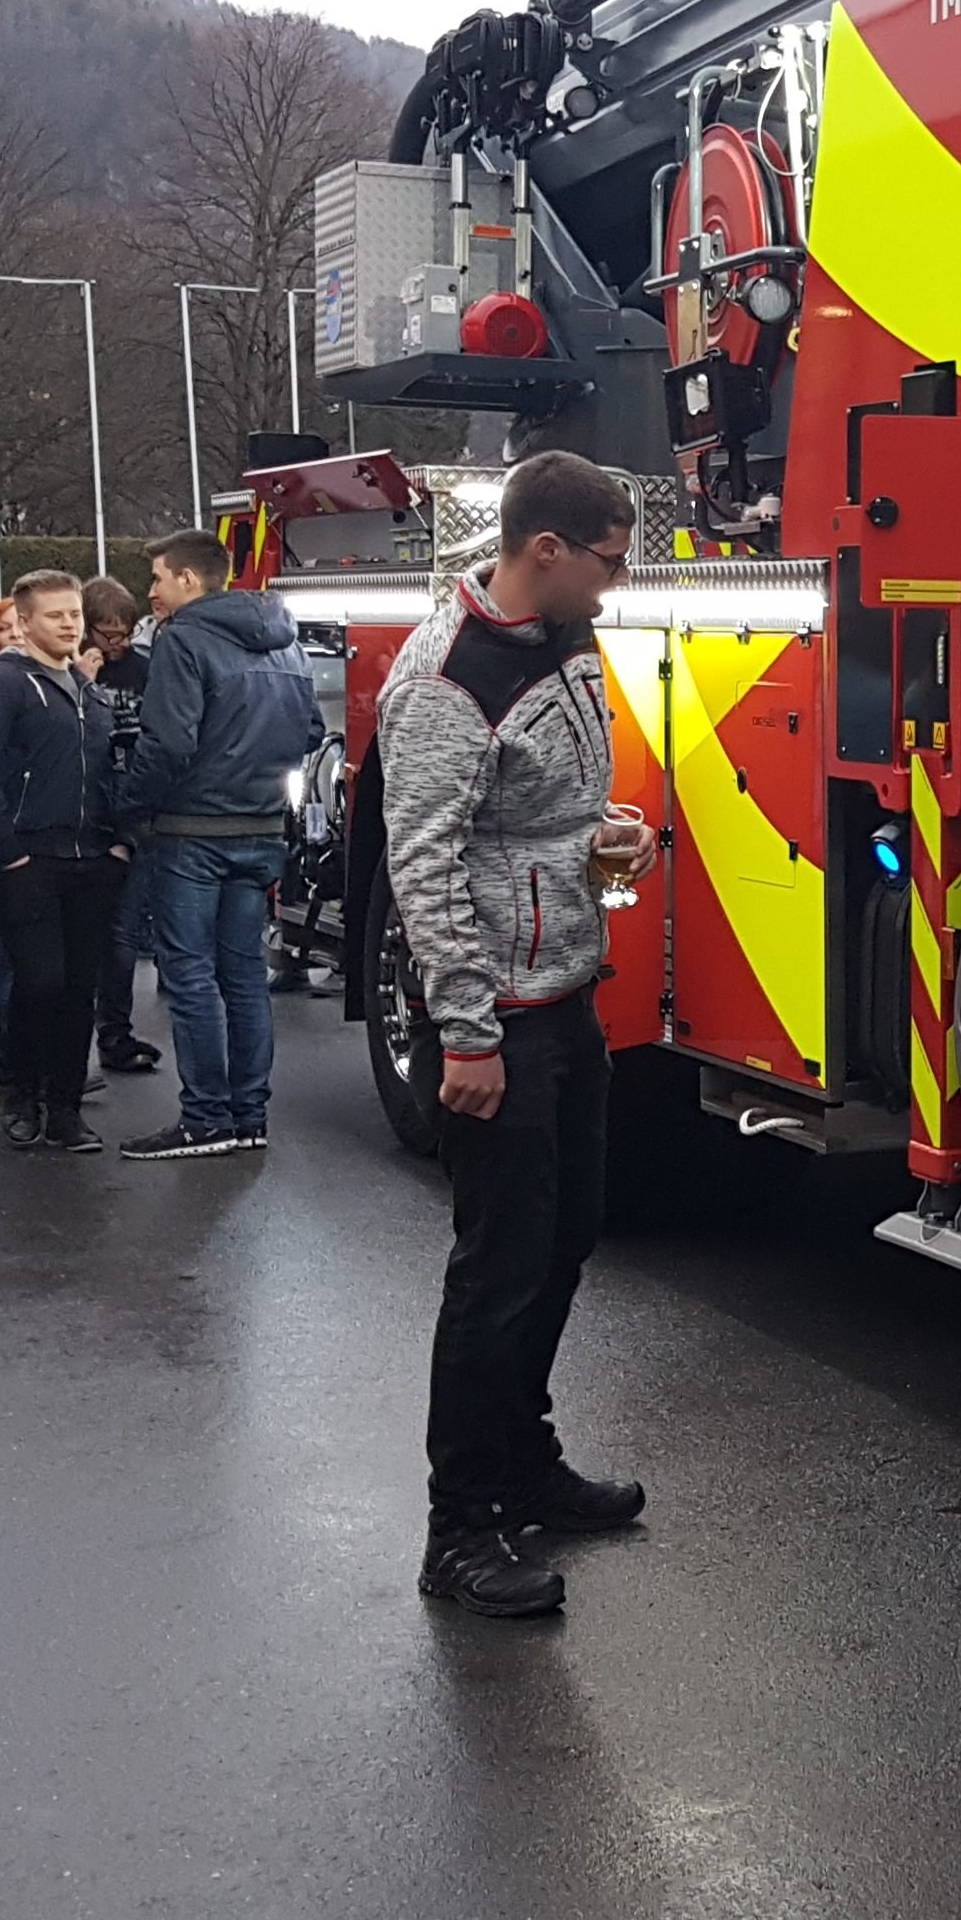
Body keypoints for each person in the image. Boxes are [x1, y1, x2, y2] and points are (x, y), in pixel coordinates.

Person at [381, 452, 656, 1620]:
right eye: (610, 558)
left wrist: (614, 833)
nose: (619, 582)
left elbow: (552, 806)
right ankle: (462, 1527)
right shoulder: (447, 679)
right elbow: (426, 863)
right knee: (495, 1275)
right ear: (547, 548)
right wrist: (467, 1036)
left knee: (564, 1244)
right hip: (502, 1020)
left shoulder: (565, 637)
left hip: (566, 996)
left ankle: (526, 1463)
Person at [117, 527, 321, 1160]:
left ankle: (205, 1118)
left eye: (155, 578)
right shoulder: (287, 643)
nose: (149, 592)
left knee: (191, 977)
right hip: (261, 832)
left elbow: (169, 744)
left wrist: (126, 803)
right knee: (243, 976)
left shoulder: (183, 640)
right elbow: (312, 729)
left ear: (188, 579)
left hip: (191, 835)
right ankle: (248, 1115)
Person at [0, 572, 129, 1153]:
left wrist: (120, 843)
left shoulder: (88, 692)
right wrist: (8, 854)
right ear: (23, 623)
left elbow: (113, 770)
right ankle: (24, 1099)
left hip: (92, 860)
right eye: (55, 616)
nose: (71, 624)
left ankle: (67, 1109)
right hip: (27, 863)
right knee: (39, 984)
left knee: (80, 989)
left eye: (74, 613)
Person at [78, 578, 162, 1078]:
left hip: (129, 815)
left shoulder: (144, 671)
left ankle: (115, 1032)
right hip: (79, 815)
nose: (119, 645)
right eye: (108, 635)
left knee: (122, 936)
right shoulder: (70, 671)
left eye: (126, 634)